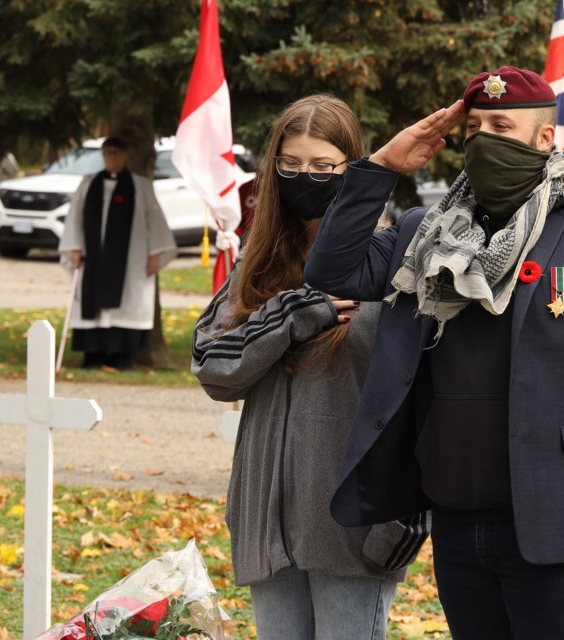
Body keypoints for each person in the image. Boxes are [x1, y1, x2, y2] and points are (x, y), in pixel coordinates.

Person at [305, 67, 564, 639]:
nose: (484, 139)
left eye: (503, 125)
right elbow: (332, 269)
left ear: (544, 138)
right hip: (455, 512)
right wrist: (383, 167)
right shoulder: (425, 230)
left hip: (558, 516)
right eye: (474, 127)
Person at [190, 95, 428, 640]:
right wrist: (289, 316)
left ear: (353, 166)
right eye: (292, 165)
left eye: (323, 167)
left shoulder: (393, 258)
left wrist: (403, 518)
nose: (307, 178)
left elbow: (416, 392)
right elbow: (213, 367)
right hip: (266, 525)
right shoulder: (258, 261)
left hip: (352, 526)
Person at [58, 136, 177, 370]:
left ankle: (122, 357)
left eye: (116, 152)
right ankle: (92, 356)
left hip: (131, 260)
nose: (111, 157)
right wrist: (74, 246)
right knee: (93, 302)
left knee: (125, 303)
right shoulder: (88, 183)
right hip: (93, 258)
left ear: (124, 156)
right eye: (107, 152)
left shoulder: (140, 186)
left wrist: (156, 253)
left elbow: (155, 221)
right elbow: (74, 216)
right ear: (103, 156)